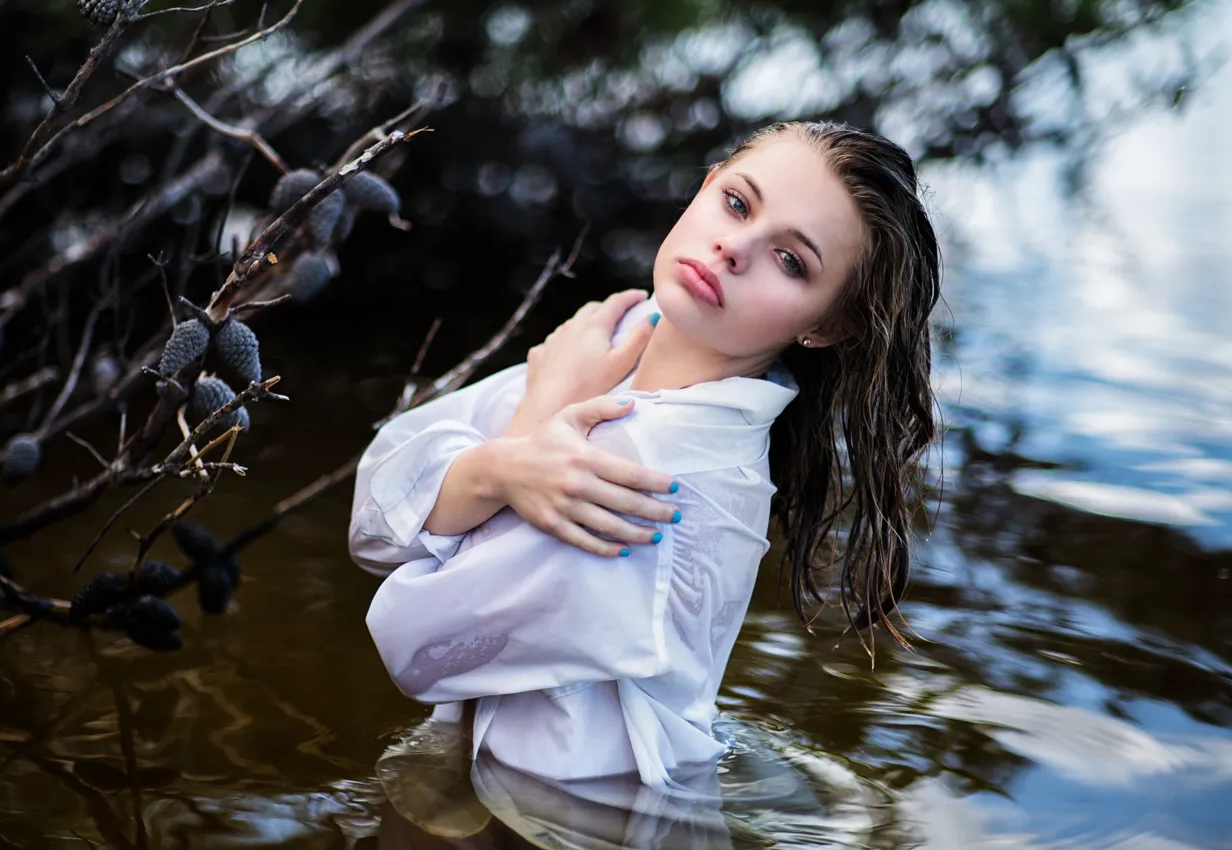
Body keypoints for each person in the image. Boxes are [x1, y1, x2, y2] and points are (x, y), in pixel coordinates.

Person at [349, 121, 940, 791]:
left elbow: (417, 645)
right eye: (739, 203)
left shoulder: (664, 476)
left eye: (791, 261)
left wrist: (519, 436)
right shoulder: (612, 345)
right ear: (707, 182)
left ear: (826, 326)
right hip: (492, 784)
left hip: (576, 821)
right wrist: (508, 462)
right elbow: (372, 514)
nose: (734, 248)